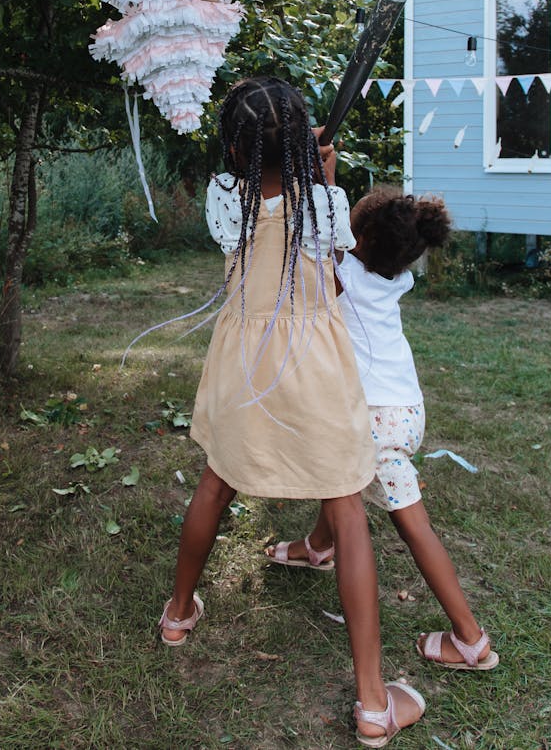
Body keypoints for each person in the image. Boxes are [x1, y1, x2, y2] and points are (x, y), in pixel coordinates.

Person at [158, 78, 426, 747]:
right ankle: (372, 703)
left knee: (216, 484)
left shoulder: (228, 200)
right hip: (313, 371)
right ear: (306, 149)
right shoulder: (327, 205)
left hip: (245, 367)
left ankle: (179, 611)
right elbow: (332, 241)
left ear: (231, 150)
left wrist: (297, 167)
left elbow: (264, 192)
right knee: (347, 512)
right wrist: (323, 175)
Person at [266, 186, 499, 673]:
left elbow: (316, 230)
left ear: (362, 234)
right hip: (407, 411)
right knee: (343, 483)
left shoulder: (342, 275)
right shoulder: (397, 279)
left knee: (411, 524)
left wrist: (323, 175)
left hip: (373, 420)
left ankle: (471, 638)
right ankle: (316, 548)